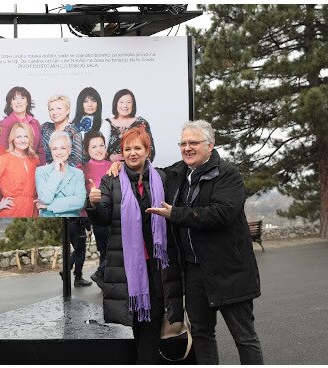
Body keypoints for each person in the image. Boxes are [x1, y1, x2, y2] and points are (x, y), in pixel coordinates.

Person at [145, 119, 264, 365]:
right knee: (201, 334)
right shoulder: (179, 172)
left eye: (193, 143)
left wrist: (176, 213)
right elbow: (149, 174)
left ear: (210, 145)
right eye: (183, 143)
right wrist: (117, 168)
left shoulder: (228, 174)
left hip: (229, 270)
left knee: (244, 337)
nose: (187, 148)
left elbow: (221, 214)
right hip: (195, 272)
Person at [86, 127, 184, 364]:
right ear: (121, 153)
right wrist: (93, 204)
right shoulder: (111, 179)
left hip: (158, 263)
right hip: (128, 264)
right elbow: (103, 217)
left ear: (147, 151)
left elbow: (188, 165)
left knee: (152, 319)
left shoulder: (162, 178)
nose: (132, 153)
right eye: (127, 149)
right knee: (140, 322)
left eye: (137, 148)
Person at [0, 122, 40, 218]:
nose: (22, 140)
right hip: (11, 212)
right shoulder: (4, 159)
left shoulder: (34, 160)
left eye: (26, 136)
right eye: (18, 137)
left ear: (30, 139)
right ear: (12, 139)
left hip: (32, 212)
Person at [81, 130, 112, 288]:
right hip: (96, 216)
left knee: (109, 249)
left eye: (102, 145)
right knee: (106, 249)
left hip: (114, 216)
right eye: (94, 146)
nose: (99, 149)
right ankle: (101, 273)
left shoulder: (114, 166)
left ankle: (103, 279)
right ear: (86, 150)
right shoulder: (83, 168)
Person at [35, 131, 86, 217]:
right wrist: (56, 172)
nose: (58, 152)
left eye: (63, 148)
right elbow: (45, 199)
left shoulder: (78, 173)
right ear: (50, 151)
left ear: (69, 150)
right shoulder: (41, 171)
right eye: (54, 149)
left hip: (72, 221)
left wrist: (49, 206)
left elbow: (80, 202)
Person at [0, 86, 46, 165]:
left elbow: (40, 150)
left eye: (22, 98)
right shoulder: (4, 124)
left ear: (27, 102)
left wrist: (41, 170)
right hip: (14, 168)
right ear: (10, 104)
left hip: (35, 168)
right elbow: (3, 151)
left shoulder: (35, 123)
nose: (18, 102)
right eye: (14, 99)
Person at [105, 88, 155, 162]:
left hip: (135, 169)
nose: (125, 105)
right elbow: (96, 149)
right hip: (109, 169)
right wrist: (110, 157)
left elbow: (150, 151)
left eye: (128, 102)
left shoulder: (141, 123)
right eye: (121, 102)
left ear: (133, 105)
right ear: (116, 104)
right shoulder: (106, 124)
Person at [40, 95, 83, 167]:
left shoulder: (74, 132)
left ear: (67, 110)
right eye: (51, 109)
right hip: (44, 172)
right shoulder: (45, 127)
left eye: (59, 108)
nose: (54, 112)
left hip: (66, 173)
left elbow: (77, 160)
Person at [71, 87, 111, 161]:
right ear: (80, 104)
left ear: (98, 103)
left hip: (94, 165)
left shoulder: (104, 124)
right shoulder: (72, 124)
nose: (90, 104)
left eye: (94, 101)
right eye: (85, 101)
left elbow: (102, 151)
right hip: (73, 166)